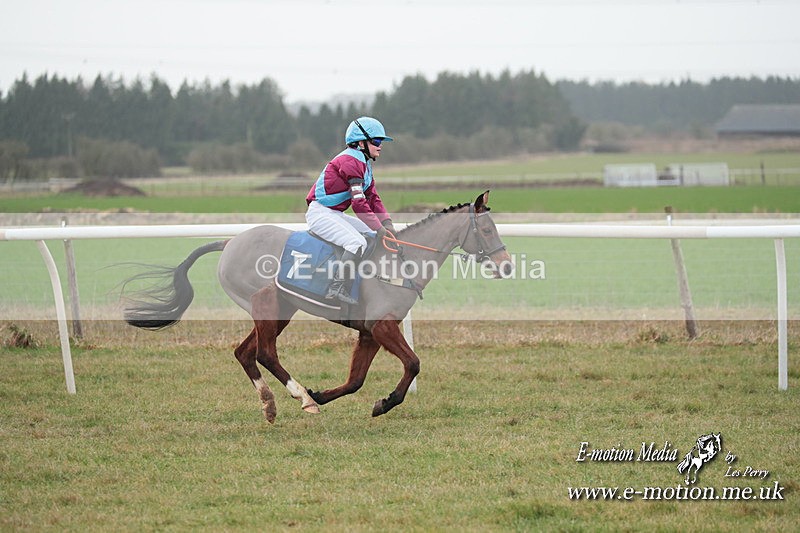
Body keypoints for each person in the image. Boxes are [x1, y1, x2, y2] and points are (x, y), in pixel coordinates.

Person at [305, 116, 397, 304]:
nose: (380, 146)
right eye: (376, 141)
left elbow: (373, 198)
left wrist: (387, 223)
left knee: (372, 233)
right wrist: (379, 227)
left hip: (333, 213)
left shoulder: (364, 164)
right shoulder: (350, 161)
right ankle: (336, 287)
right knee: (356, 242)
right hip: (320, 213)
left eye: (381, 142)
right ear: (361, 143)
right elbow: (358, 204)